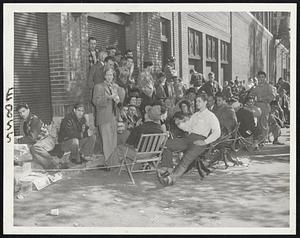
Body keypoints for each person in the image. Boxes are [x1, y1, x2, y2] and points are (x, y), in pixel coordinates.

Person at [158, 92, 221, 186]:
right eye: (196, 101)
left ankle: (171, 179)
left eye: (199, 101)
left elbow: (217, 132)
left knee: (186, 159)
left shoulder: (211, 116)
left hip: (199, 141)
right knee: (167, 144)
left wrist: (205, 142)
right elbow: (188, 127)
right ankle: (168, 169)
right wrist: (179, 124)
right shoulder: (195, 115)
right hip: (189, 138)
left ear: (205, 102)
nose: (197, 103)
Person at [15, 103, 59, 169]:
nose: (22, 114)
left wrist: (17, 140)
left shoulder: (34, 120)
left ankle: (54, 167)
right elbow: (28, 137)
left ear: (28, 110)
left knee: (35, 148)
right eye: (20, 113)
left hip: (47, 140)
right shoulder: (25, 122)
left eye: (23, 111)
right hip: (39, 141)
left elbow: (32, 138)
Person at [92, 68, 120, 167]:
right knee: (107, 141)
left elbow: (118, 101)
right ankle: (108, 163)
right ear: (104, 76)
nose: (109, 77)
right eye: (108, 75)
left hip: (113, 116)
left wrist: (117, 100)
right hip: (104, 117)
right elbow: (95, 101)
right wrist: (108, 98)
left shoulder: (115, 86)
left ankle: (113, 162)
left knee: (113, 140)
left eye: (111, 75)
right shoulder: (98, 87)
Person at [250, 71, 276, 144]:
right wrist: (251, 95)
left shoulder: (268, 86)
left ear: (265, 78)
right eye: (259, 77)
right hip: (257, 106)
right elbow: (252, 94)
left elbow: (272, 96)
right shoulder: (256, 87)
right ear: (257, 78)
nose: (261, 79)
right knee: (257, 122)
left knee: (264, 122)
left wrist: (263, 98)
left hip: (264, 105)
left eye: (262, 77)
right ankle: (260, 137)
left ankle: (265, 138)